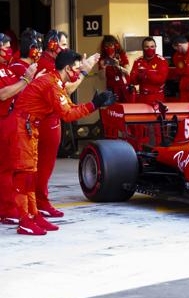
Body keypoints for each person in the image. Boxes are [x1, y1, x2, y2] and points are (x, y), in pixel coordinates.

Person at [13, 50, 115, 235]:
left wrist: (94, 103)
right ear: (68, 68)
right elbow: (67, 114)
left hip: (29, 126)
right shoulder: (51, 84)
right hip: (22, 127)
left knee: (31, 173)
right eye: (76, 69)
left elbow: (69, 107)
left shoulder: (55, 82)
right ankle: (25, 221)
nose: (77, 73)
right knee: (25, 175)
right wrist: (94, 104)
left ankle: (34, 215)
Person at [0, 33, 37, 225]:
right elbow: (3, 94)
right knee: (5, 168)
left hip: (9, 120)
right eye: (5, 47)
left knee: (9, 167)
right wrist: (25, 80)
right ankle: (6, 210)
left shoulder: (7, 69)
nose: (8, 51)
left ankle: (9, 207)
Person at [130, 37, 169, 105]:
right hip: (142, 97)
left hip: (157, 97)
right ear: (143, 48)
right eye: (147, 47)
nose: (150, 49)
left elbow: (161, 80)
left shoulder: (162, 61)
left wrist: (147, 74)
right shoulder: (138, 61)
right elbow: (132, 80)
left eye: (152, 46)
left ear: (155, 47)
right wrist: (139, 77)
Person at [98, 35, 131, 102]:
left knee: (126, 108)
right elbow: (101, 77)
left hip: (124, 88)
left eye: (111, 45)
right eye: (106, 46)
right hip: (111, 89)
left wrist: (118, 66)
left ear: (115, 46)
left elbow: (128, 72)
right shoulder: (103, 59)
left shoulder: (121, 55)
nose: (109, 48)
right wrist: (103, 68)